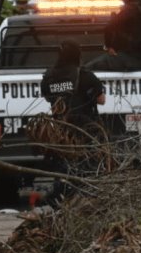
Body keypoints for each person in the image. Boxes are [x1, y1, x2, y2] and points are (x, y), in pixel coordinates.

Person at [40, 41, 106, 203]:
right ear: (78, 56)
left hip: (61, 131)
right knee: (88, 166)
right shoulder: (85, 75)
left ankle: (62, 197)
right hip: (86, 129)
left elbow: (49, 98)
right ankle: (84, 197)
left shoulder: (48, 76)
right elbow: (101, 100)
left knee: (64, 166)